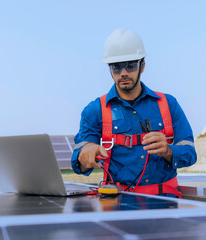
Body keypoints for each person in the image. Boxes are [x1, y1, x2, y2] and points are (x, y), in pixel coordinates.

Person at [71, 29, 197, 198]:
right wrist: (85, 154)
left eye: (130, 65)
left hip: (165, 203)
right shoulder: (95, 110)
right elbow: (79, 159)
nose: (123, 73)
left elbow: (190, 153)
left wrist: (168, 150)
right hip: (116, 204)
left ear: (142, 66)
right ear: (109, 69)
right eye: (116, 67)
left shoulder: (168, 104)